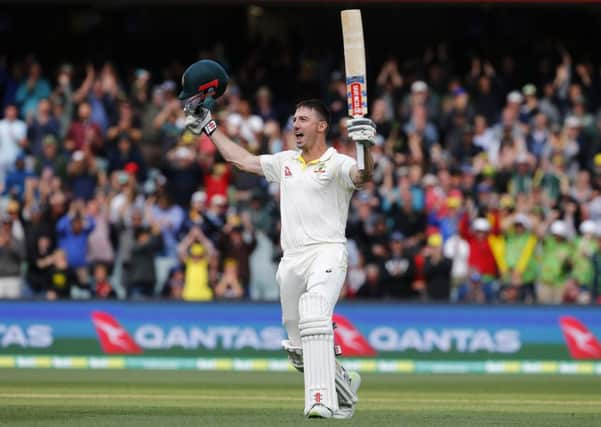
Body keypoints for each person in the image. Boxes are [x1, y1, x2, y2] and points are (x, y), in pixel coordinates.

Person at [182, 70, 375, 419]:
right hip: (291, 259)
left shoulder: (338, 163)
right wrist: (210, 127)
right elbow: (241, 160)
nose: (295, 124)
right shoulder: (286, 160)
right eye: (293, 119)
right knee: (299, 350)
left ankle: (320, 400)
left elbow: (363, 176)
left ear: (321, 126)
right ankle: (344, 386)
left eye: (303, 119)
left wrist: (366, 148)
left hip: (327, 251)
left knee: (315, 311)